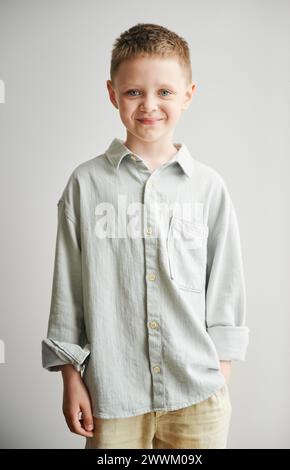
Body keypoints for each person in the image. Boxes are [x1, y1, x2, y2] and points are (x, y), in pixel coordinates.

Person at [41, 22, 249, 449]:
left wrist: (219, 373)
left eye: (165, 92)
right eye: (134, 91)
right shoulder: (85, 184)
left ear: (188, 95)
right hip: (113, 396)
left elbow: (225, 284)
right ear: (112, 93)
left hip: (196, 397)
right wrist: (70, 376)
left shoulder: (209, 187)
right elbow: (68, 289)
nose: (149, 105)